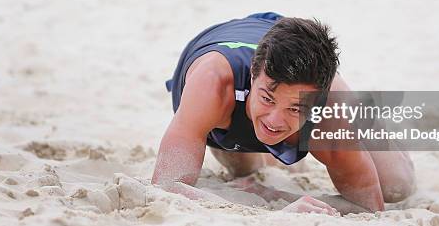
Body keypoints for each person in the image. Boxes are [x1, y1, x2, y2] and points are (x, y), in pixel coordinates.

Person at [152, 13, 416, 215]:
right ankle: (278, 127)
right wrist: (278, 211)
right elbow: (165, 187)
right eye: (267, 99)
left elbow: (370, 208)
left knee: (397, 185)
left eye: (295, 108)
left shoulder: (326, 111)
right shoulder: (213, 84)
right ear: (252, 76)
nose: (274, 120)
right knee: (243, 170)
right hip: (243, 60)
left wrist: (277, 197)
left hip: (300, 51)